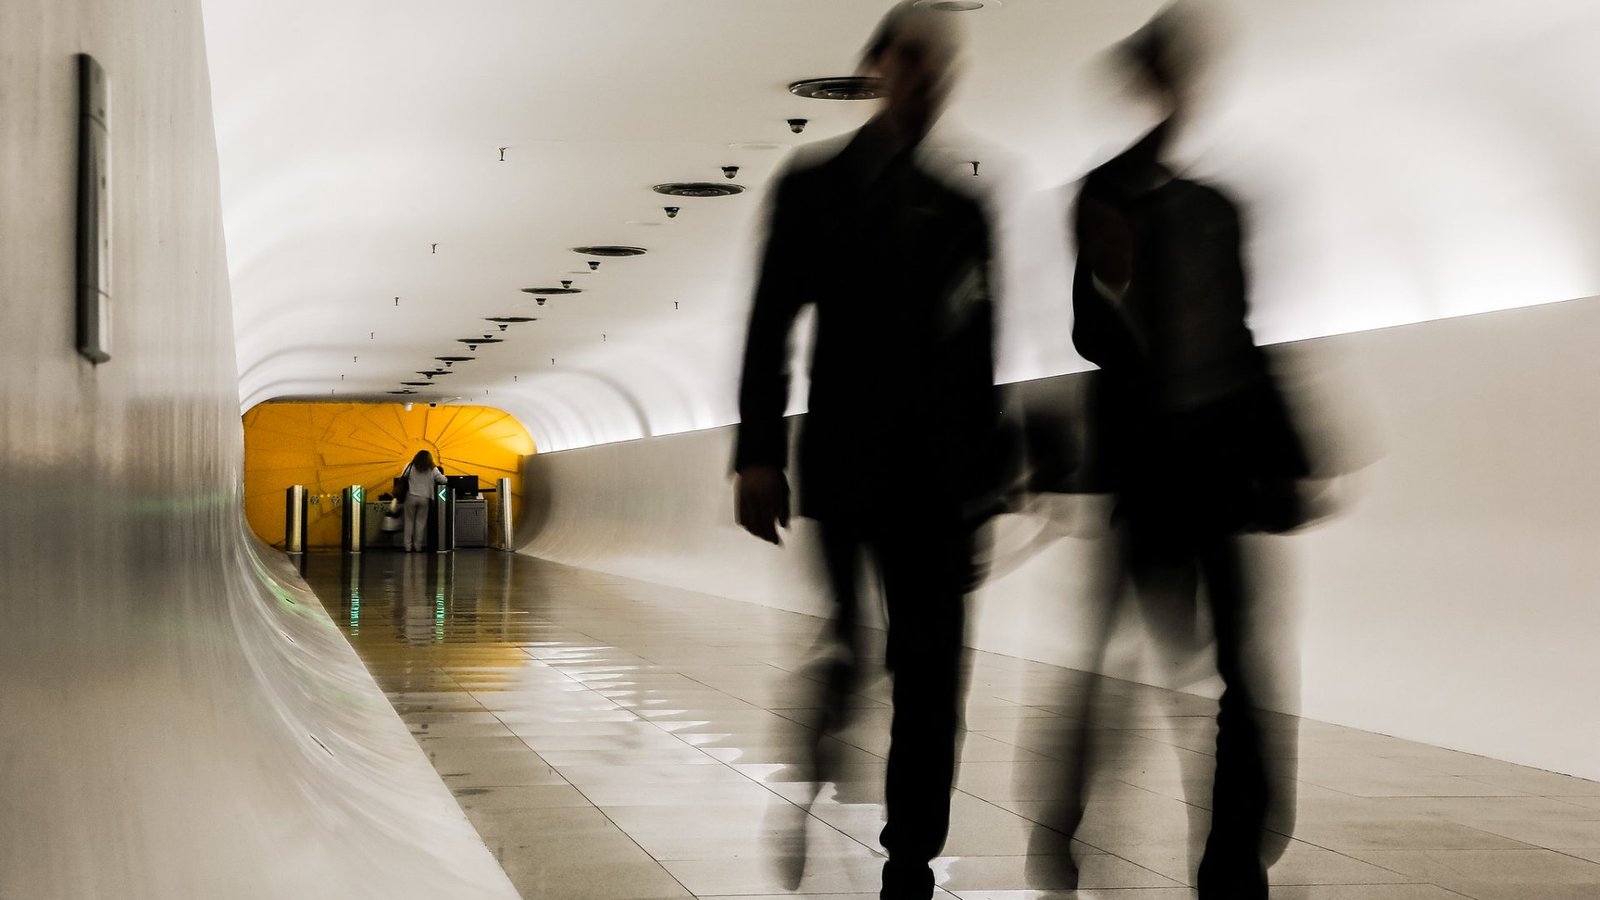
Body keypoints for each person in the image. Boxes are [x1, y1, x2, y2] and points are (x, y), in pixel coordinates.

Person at [1028, 9, 1312, 900]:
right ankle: (1066, 810)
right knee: (1120, 661)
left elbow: (1241, 334)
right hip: (1146, 467)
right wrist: (1118, 282)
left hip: (1219, 464)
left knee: (1235, 665)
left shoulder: (1218, 208)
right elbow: (1089, 334)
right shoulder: (1102, 195)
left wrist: (1285, 449)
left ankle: (1234, 852)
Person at [732, 5, 1003, 898]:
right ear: (877, 69)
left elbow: (978, 357)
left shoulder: (966, 209)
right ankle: (824, 718)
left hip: (936, 483)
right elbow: (772, 321)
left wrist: (985, 487)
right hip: (848, 466)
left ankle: (911, 857)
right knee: (857, 649)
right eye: (912, 62)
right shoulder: (813, 189)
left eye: (941, 65)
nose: (928, 79)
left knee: (931, 678)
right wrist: (759, 454)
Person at [398, 450, 447, 553]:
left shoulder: (410, 466)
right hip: (425, 498)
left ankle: (407, 547)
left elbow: (402, 476)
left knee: (409, 522)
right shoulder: (432, 468)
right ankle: (418, 546)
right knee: (420, 523)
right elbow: (443, 480)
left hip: (411, 496)